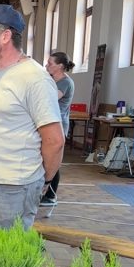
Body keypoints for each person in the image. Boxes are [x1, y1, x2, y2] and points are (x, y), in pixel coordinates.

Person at [0, 4, 63, 230]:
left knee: (7, 260)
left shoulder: (34, 78)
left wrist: (43, 180)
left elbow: (54, 140)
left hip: (14, 186)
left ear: (5, 36)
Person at [41, 51, 75, 206]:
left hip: (58, 125)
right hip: (47, 124)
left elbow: (49, 99)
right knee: (44, 158)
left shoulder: (65, 83)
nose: (47, 65)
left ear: (60, 66)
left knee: (52, 159)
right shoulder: (51, 79)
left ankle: (51, 195)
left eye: (50, 63)